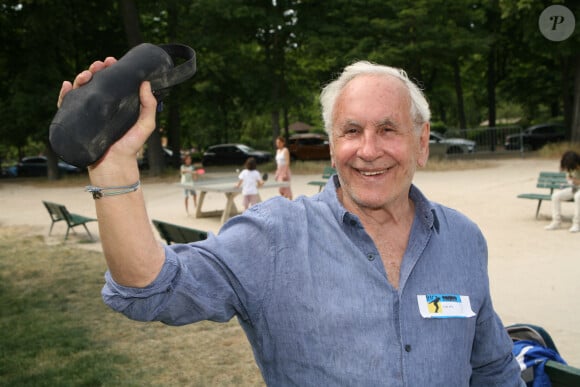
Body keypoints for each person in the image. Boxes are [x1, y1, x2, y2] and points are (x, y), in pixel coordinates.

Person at [58, 59, 524, 386]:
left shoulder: (463, 239)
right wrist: (115, 167)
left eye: (387, 129)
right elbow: (149, 288)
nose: (368, 149)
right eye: (351, 131)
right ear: (330, 143)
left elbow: (492, 370)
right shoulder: (274, 238)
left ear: (421, 142)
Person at [545, 150, 580, 233]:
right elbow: (570, 179)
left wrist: (577, 181)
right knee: (555, 196)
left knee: (578, 196)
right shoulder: (569, 168)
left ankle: (577, 223)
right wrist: (570, 180)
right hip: (574, 188)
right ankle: (556, 222)